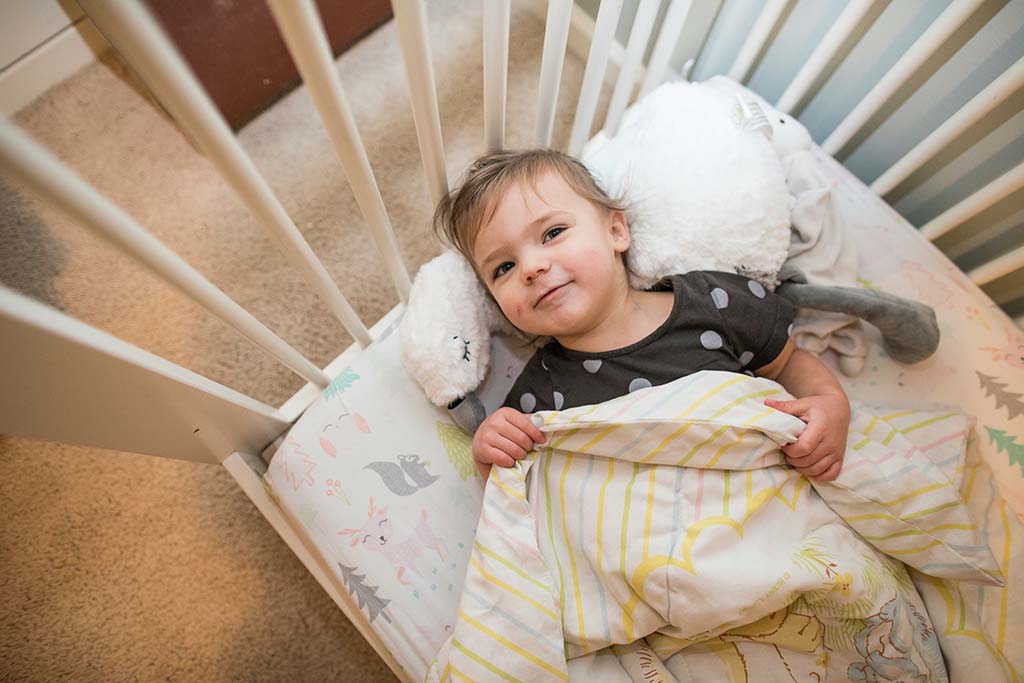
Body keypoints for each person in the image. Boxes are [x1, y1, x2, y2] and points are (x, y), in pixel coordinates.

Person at [433, 149, 850, 482]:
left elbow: (789, 360)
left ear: (616, 231)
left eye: (552, 233)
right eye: (503, 268)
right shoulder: (541, 395)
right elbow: (517, 479)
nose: (531, 267)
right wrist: (489, 450)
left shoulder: (712, 303)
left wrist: (831, 405)